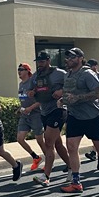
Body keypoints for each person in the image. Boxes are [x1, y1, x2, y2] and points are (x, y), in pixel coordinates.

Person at [58, 48, 99, 193]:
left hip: (91, 115)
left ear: (80, 58)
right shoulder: (68, 74)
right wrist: (63, 99)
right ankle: (76, 182)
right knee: (71, 146)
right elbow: (70, 93)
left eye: (72, 57)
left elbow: (98, 94)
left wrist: (78, 98)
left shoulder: (88, 74)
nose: (68, 60)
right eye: (67, 57)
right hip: (74, 115)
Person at [28, 51, 71, 188]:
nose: (39, 64)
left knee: (48, 143)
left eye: (42, 61)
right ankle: (72, 167)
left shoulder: (60, 73)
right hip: (44, 111)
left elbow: (73, 86)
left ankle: (46, 176)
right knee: (57, 144)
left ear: (48, 61)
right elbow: (31, 90)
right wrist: (32, 92)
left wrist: (61, 92)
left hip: (58, 110)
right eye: (38, 62)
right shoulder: (36, 76)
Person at [16, 62, 46, 170]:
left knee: (39, 139)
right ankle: (35, 157)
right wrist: (21, 109)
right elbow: (23, 99)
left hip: (36, 114)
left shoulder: (33, 83)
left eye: (21, 69)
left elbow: (41, 100)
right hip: (25, 115)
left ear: (27, 71)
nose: (19, 72)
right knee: (20, 138)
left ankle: (49, 160)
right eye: (18, 70)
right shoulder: (21, 84)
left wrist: (30, 108)